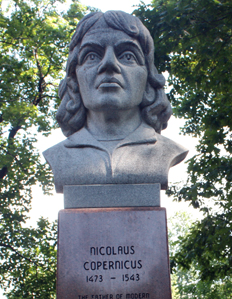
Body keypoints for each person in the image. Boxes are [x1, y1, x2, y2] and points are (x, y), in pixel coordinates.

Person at [43, 11, 187, 193]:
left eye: (127, 56)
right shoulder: (60, 154)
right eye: (91, 56)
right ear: (75, 77)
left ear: (148, 77)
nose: (109, 64)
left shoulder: (165, 150)